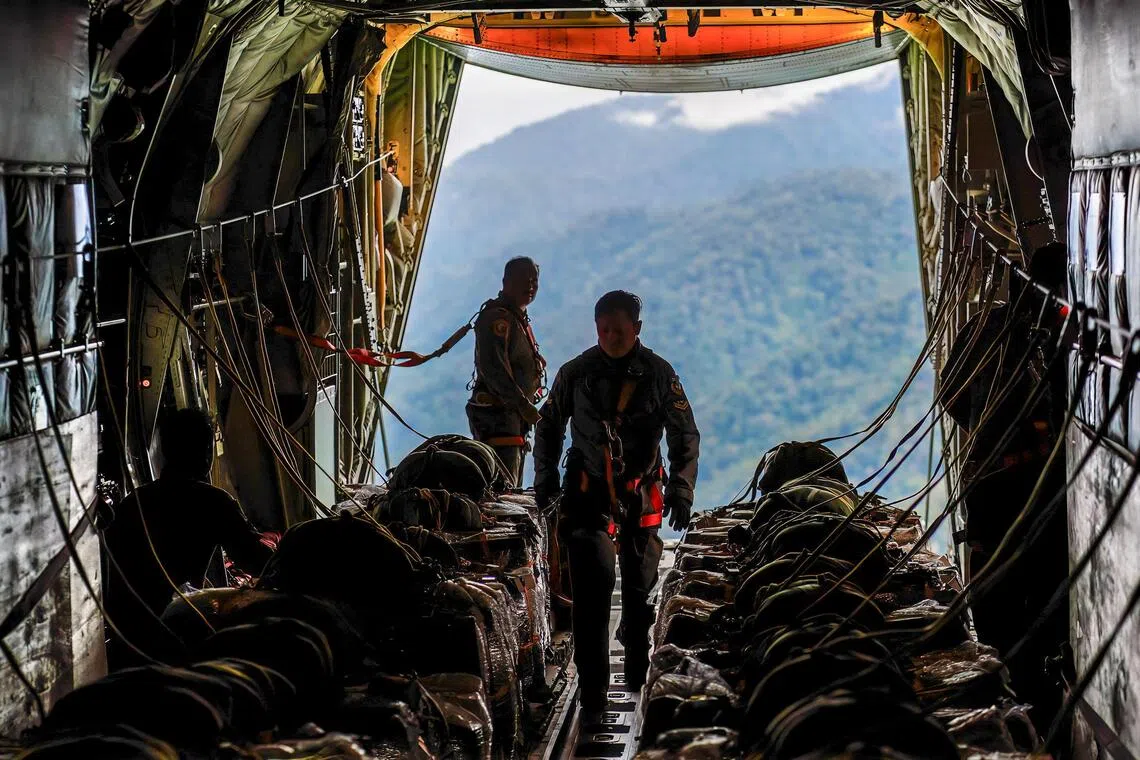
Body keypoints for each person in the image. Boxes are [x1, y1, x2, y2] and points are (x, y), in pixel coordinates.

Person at [533, 290, 699, 720]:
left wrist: (682, 489)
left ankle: (638, 669)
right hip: (588, 495)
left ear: (637, 330)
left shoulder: (661, 376)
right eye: (604, 330)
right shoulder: (576, 374)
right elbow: (548, 426)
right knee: (592, 590)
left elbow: (685, 435)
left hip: (642, 494)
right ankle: (592, 695)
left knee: (639, 595)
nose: (611, 338)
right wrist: (545, 478)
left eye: (620, 331)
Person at [101, 407, 274, 668]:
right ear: (206, 454)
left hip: (124, 639)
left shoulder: (132, 501)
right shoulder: (214, 502)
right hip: (176, 634)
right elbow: (255, 562)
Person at [466, 256, 547, 486]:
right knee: (503, 492)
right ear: (506, 281)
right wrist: (523, 406)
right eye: (523, 279)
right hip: (499, 419)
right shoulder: (498, 319)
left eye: (534, 281)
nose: (530, 286)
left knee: (510, 488)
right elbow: (494, 370)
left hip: (512, 420)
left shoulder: (515, 319)